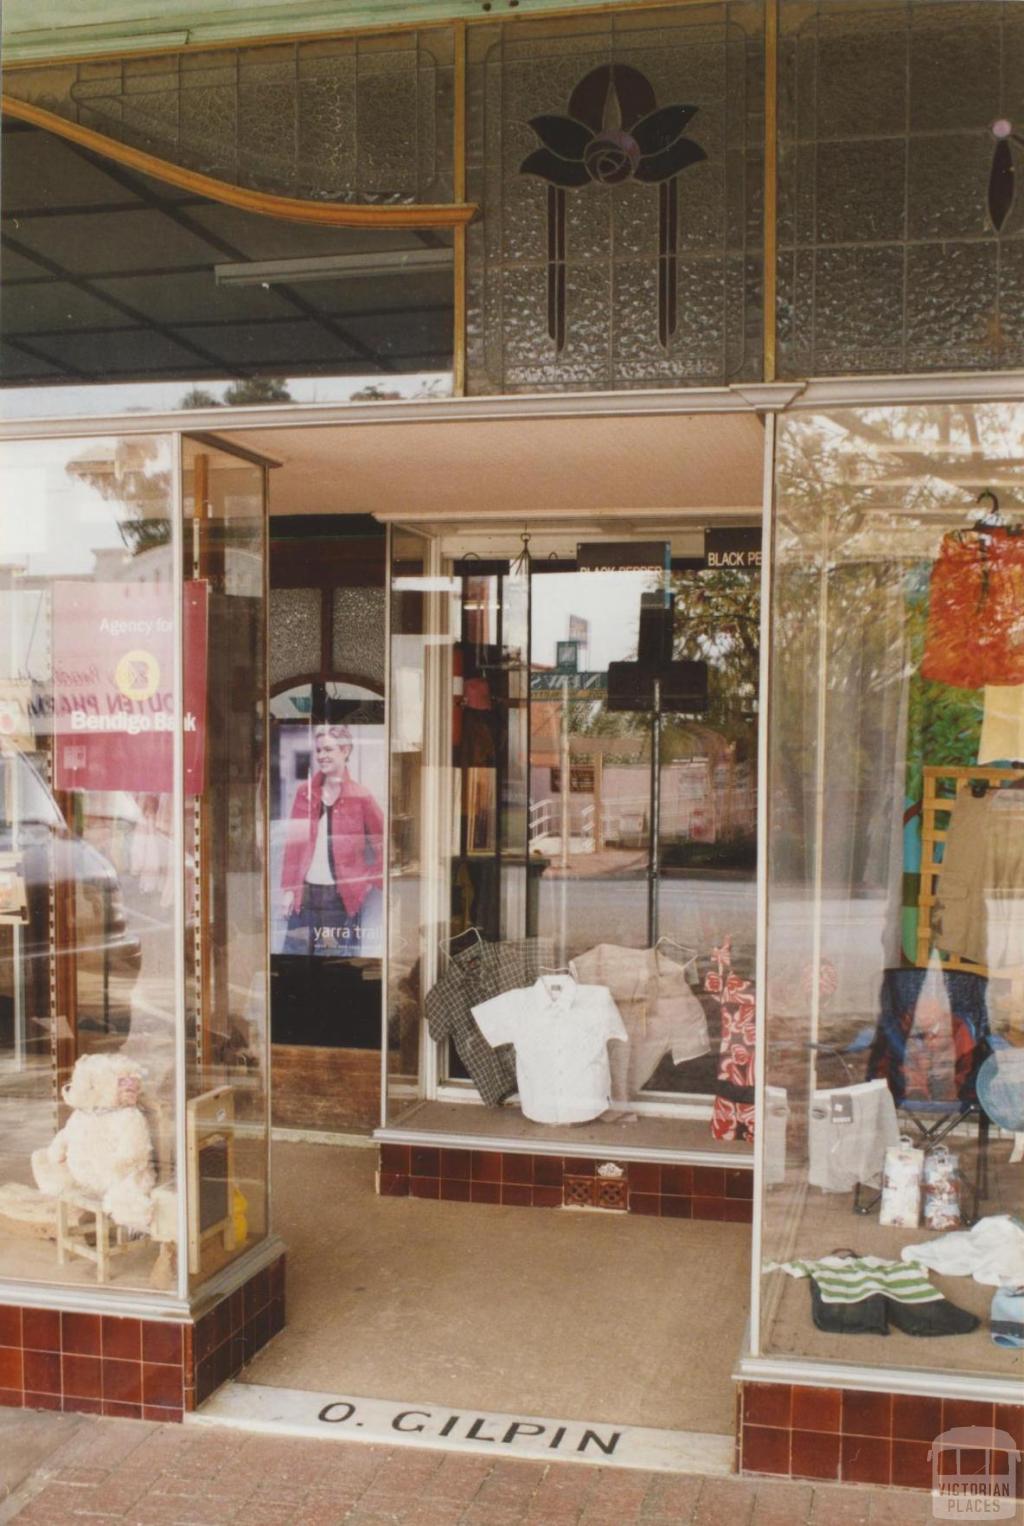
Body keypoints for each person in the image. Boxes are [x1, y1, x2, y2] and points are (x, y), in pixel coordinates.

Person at [280, 724, 383, 956]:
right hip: (305, 896)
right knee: (294, 959)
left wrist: (366, 882)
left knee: (334, 962)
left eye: (328, 749)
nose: (321, 756)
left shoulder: (361, 796)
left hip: (339, 898)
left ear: (345, 751)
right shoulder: (304, 793)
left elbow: (385, 843)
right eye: (318, 750)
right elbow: (292, 847)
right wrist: (289, 889)